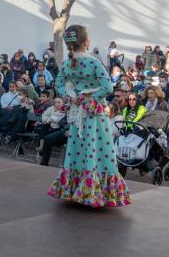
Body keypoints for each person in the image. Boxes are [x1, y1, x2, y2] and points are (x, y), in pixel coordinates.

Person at [48, 25, 130, 208]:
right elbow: (108, 87)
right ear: (87, 42)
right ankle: (93, 192)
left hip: (78, 114)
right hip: (94, 113)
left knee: (78, 148)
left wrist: (73, 96)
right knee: (98, 149)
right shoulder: (94, 63)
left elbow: (59, 83)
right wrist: (89, 98)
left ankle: (75, 189)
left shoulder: (67, 63)